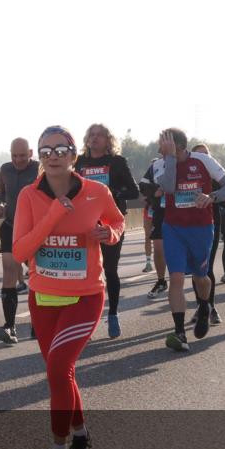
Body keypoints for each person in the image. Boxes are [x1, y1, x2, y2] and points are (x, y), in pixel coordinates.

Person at [12, 126, 124, 449]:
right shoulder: (29, 196)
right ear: (38, 158)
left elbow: (118, 222)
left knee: (58, 370)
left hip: (85, 296)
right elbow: (20, 252)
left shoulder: (96, 192)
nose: (53, 156)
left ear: (74, 154)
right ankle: (80, 435)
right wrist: (53, 215)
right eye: (45, 151)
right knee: (64, 375)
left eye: (61, 149)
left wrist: (110, 234)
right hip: (43, 298)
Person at [153, 129, 225, 352]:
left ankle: (205, 306)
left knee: (201, 277)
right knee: (176, 278)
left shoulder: (203, 160)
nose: (158, 147)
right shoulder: (161, 163)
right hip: (173, 228)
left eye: (162, 143)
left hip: (201, 228)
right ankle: (179, 332)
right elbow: (169, 187)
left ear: (175, 144)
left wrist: (211, 197)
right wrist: (169, 158)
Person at [74, 124, 139, 338]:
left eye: (99, 135)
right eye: (91, 135)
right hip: (85, 223)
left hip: (110, 223)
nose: (94, 138)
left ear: (108, 140)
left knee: (110, 270)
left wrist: (110, 192)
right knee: (84, 272)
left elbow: (133, 190)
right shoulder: (79, 162)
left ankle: (112, 314)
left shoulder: (117, 162)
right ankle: (85, 322)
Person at [0, 138, 39, 345]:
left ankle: (37, 323)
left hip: (34, 229)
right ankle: (9, 326)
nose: (18, 160)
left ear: (30, 153)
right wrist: (1, 206)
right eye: (14, 156)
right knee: (9, 270)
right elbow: (3, 195)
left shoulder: (40, 169)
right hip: (10, 226)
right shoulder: (5, 169)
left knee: (38, 274)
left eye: (22, 155)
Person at [187, 145, 223, 327]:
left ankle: (211, 306)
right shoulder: (184, 173)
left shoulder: (216, 176)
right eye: (198, 155)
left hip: (210, 225)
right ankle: (202, 306)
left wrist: (212, 195)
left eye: (205, 155)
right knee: (196, 270)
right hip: (188, 226)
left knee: (206, 268)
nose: (202, 158)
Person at [139, 157, 169, 300]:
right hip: (160, 212)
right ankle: (161, 281)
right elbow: (142, 185)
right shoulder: (156, 164)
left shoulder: (186, 161)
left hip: (183, 212)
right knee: (158, 248)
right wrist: (154, 190)